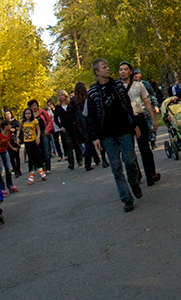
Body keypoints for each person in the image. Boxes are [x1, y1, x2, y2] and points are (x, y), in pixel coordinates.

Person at [87, 58, 143, 212]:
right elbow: (92, 117)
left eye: (108, 66)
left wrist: (133, 124)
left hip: (124, 129)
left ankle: (134, 182)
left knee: (130, 160)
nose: (108, 69)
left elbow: (127, 105)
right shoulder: (92, 93)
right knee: (116, 167)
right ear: (97, 72)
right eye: (104, 67)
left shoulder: (117, 85)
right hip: (107, 135)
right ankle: (126, 198)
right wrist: (95, 137)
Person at [119, 63, 161, 186]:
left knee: (145, 147)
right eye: (121, 70)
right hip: (125, 121)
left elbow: (146, 102)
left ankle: (151, 174)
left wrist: (153, 119)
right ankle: (136, 175)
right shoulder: (117, 87)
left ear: (130, 72)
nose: (123, 72)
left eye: (125, 69)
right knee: (129, 151)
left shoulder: (139, 85)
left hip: (139, 117)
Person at [69, 82, 109, 171]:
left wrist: (74, 122)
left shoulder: (73, 100)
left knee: (88, 142)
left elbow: (70, 113)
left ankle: (95, 160)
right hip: (90, 120)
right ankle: (99, 160)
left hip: (80, 123)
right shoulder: (88, 97)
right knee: (92, 141)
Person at [54, 90, 83, 169]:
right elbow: (56, 119)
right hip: (65, 128)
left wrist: (76, 122)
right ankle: (71, 162)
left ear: (65, 95)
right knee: (68, 145)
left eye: (62, 95)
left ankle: (79, 160)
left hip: (73, 126)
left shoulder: (71, 104)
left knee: (77, 144)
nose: (60, 97)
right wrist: (60, 127)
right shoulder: (58, 107)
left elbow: (75, 113)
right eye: (59, 95)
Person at [132, 69, 160, 149]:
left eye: (137, 74)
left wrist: (155, 105)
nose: (135, 75)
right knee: (141, 129)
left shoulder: (145, 84)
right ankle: (145, 143)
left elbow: (152, 95)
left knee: (151, 127)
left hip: (147, 109)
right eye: (134, 74)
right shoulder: (130, 85)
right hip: (137, 110)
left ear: (140, 74)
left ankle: (152, 141)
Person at [20, 107, 48, 184]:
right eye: (26, 114)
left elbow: (38, 130)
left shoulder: (34, 121)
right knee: (31, 158)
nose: (28, 115)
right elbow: (19, 130)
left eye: (29, 113)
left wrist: (38, 137)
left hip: (34, 141)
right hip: (27, 142)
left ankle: (41, 171)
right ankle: (31, 174)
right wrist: (17, 138)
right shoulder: (22, 122)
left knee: (37, 156)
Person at [28, 99, 53, 173]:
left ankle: (48, 167)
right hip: (34, 134)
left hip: (44, 132)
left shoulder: (43, 112)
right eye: (32, 106)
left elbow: (50, 121)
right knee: (38, 151)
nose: (34, 107)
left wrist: (47, 129)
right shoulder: (30, 115)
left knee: (46, 149)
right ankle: (41, 166)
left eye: (35, 105)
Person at [0, 120, 18, 193]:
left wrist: (12, 148)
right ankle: (2, 187)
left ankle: (10, 185)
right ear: (5, 126)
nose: (10, 126)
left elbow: (7, 142)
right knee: (1, 170)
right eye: (9, 125)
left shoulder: (8, 134)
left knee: (8, 169)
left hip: (4, 152)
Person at [3, 110, 22, 177]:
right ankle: (15, 170)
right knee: (11, 157)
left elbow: (20, 127)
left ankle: (19, 170)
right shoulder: (5, 123)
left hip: (15, 140)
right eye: (6, 114)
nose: (7, 116)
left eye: (8, 114)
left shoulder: (15, 121)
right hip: (8, 141)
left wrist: (16, 132)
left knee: (17, 156)